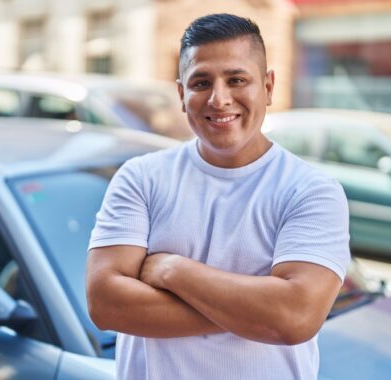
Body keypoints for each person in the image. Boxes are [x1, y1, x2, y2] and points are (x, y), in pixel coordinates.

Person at [86, 13, 350, 380]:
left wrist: (172, 269)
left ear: (269, 87)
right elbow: (106, 304)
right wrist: (258, 313)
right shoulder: (141, 178)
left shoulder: (311, 191)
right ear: (181, 94)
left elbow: (295, 318)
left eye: (237, 79)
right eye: (201, 82)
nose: (219, 99)